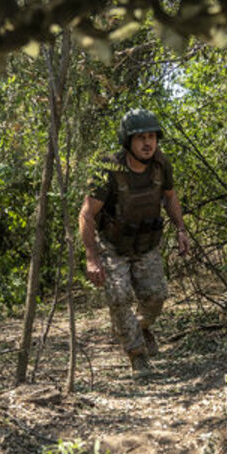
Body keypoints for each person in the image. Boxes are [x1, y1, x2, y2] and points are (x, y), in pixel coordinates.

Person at [79, 108, 190, 373]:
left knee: (156, 296)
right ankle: (136, 354)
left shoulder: (161, 165)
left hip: (147, 243)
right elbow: (86, 213)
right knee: (119, 297)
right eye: (140, 138)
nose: (147, 143)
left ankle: (139, 327)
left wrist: (181, 229)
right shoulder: (109, 169)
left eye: (152, 136)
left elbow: (170, 197)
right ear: (127, 141)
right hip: (113, 245)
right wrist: (92, 257)